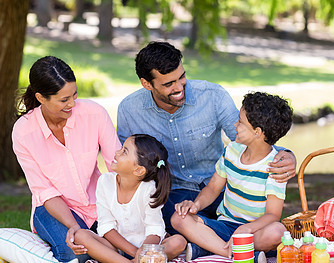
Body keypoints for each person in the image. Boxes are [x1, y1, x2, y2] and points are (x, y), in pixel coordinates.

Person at [117, 41, 297, 235]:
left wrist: (285, 154)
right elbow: (128, 165)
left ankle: (207, 242)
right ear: (147, 83)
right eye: (169, 84)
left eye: (182, 77)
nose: (179, 87)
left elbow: (249, 136)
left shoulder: (213, 96)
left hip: (224, 190)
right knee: (173, 223)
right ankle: (214, 242)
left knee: (259, 228)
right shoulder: (129, 111)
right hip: (174, 194)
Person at [12, 56, 122, 263]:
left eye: (74, 95)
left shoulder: (94, 114)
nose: (72, 104)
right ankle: (113, 256)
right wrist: (74, 227)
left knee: (127, 240)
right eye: (64, 100)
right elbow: (45, 192)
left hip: (98, 203)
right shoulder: (24, 132)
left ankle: (108, 257)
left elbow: (117, 166)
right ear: (41, 98)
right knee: (72, 255)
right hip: (53, 208)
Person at [171, 92, 293, 262]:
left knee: (277, 232)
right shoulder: (232, 150)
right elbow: (213, 188)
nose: (235, 125)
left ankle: (209, 248)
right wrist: (195, 205)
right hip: (225, 226)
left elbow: (273, 215)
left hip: (255, 233)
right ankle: (237, 254)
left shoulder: (275, 166)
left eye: (241, 122)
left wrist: (248, 229)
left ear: (257, 132)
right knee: (179, 218)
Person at [74, 134, 187, 263]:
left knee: (178, 242)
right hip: (117, 247)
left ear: (138, 170)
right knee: (80, 236)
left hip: (147, 248)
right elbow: (106, 226)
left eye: (124, 151)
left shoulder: (149, 189)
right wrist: (136, 253)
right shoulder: (105, 182)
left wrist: (143, 251)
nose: (116, 153)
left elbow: (154, 229)